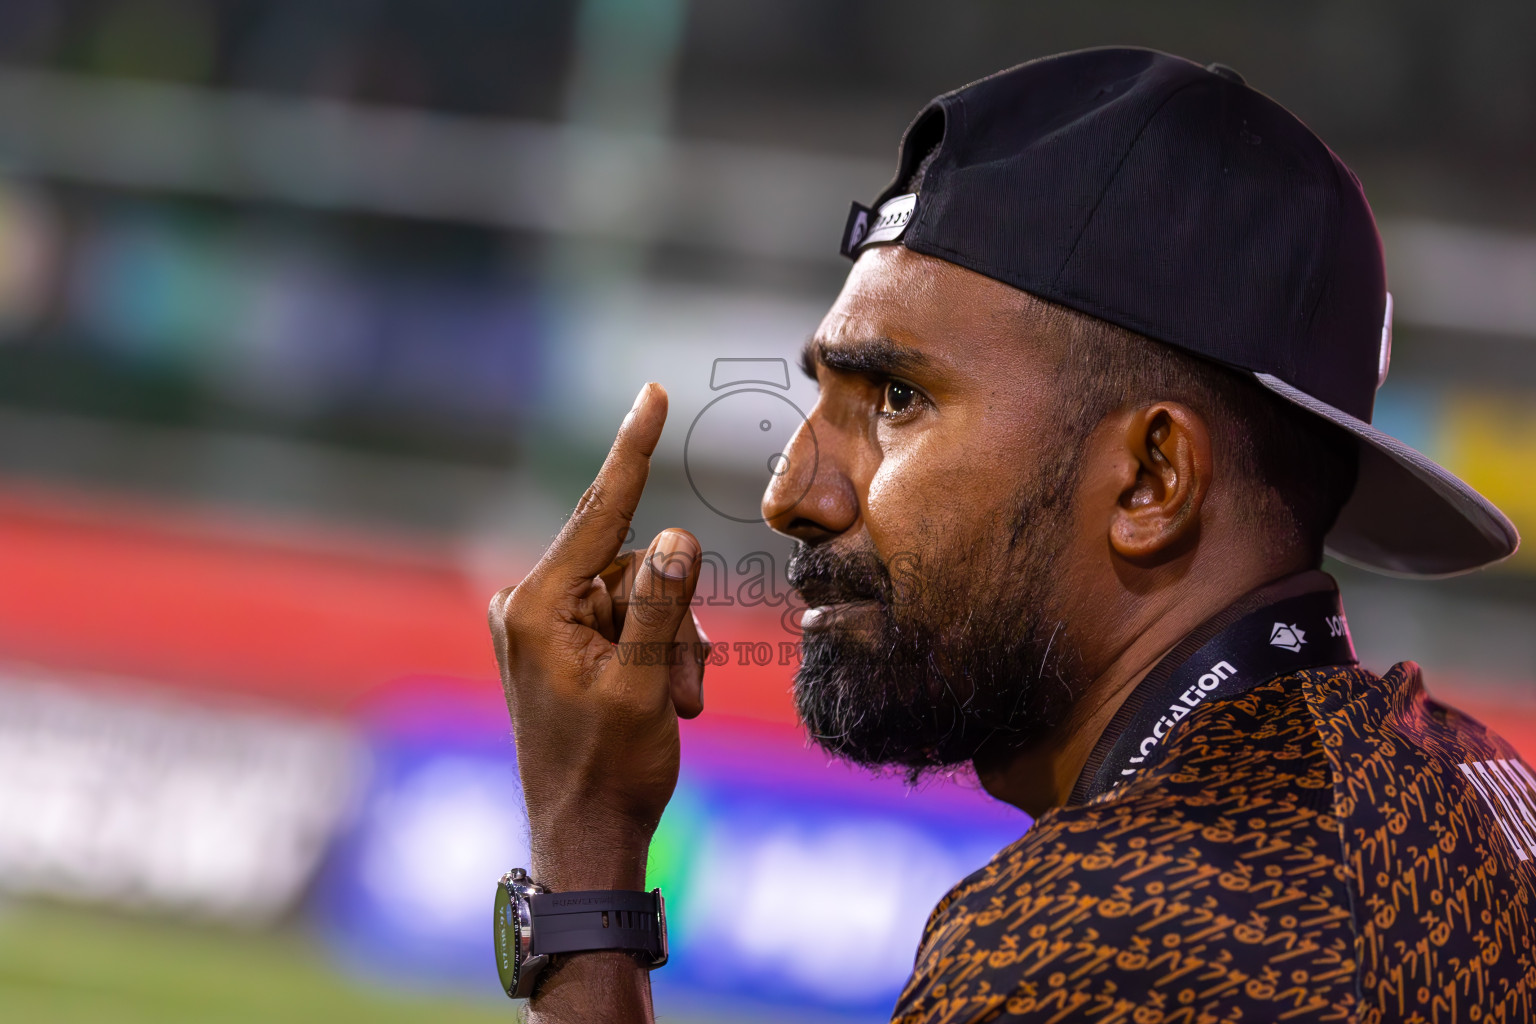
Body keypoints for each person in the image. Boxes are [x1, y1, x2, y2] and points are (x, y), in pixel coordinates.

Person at [488, 47, 1536, 1022]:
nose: (791, 492)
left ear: (1152, 479)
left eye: (896, 395)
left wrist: (585, 840)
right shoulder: (1470, 783)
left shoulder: (1104, 940)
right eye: (825, 396)